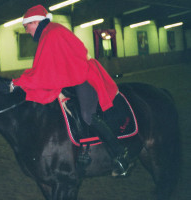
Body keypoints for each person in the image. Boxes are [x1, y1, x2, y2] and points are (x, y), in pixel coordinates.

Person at [10, 5, 130, 176]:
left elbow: (42, 72)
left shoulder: (51, 33)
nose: (26, 30)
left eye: (26, 26)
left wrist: (19, 82)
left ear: (35, 22)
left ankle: (119, 153)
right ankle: (80, 148)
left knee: (87, 115)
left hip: (83, 75)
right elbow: (47, 67)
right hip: (71, 75)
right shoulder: (48, 32)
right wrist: (19, 81)